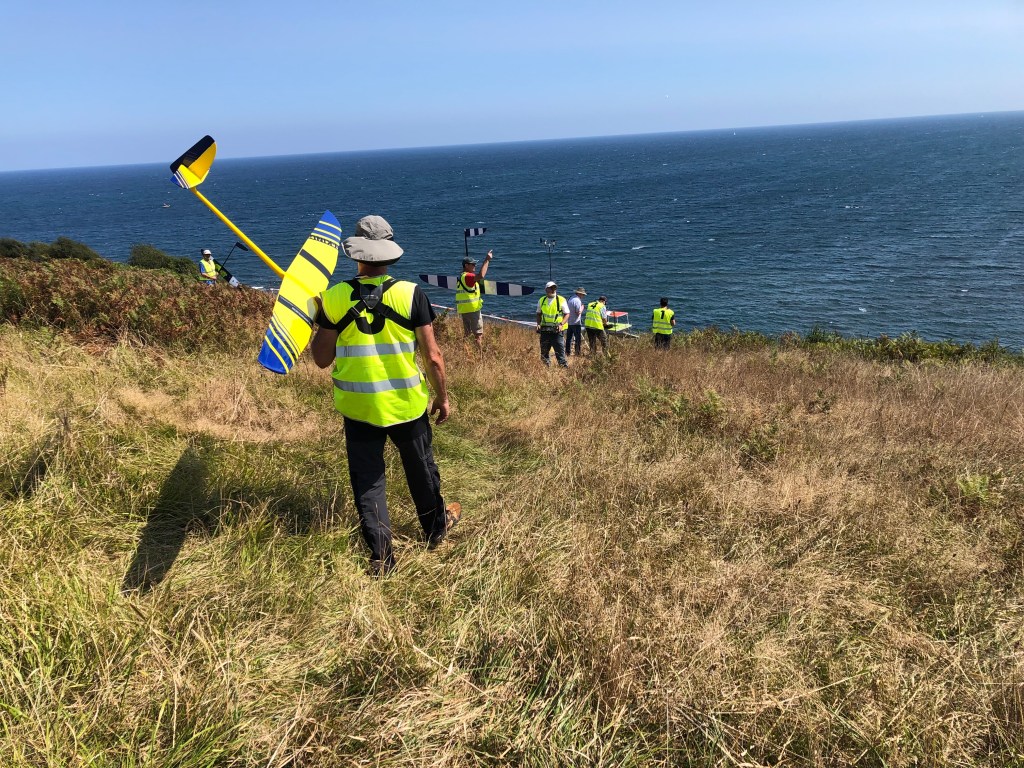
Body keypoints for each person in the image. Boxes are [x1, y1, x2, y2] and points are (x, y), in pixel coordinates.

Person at [311, 215, 459, 577]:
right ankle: (435, 531)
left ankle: (382, 558)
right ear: (389, 252)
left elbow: (321, 359)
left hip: (359, 408)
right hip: (406, 405)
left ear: (356, 253)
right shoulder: (411, 293)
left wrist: (321, 318)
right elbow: (433, 356)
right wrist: (442, 397)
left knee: (369, 481)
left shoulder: (334, 297)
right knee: (421, 470)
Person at [455, 250, 493, 351]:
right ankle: (480, 356)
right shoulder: (468, 276)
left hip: (465, 309)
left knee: (467, 334)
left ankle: (464, 353)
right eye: (473, 264)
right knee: (478, 335)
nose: (475, 266)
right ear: (466, 265)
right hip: (473, 310)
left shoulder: (462, 276)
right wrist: (487, 260)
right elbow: (481, 276)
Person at [536, 280, 569, 368]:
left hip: (557, 330)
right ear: (546, 289)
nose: (553, 289)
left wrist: (561, 324)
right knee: (544, 351)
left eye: (554, 288)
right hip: (545, 329)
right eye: (550, 288)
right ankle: (546, 368)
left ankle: (563, 367)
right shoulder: (542, 300)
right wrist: (538, 324)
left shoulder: (561, 300)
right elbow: (538, 313)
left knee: (559, 351)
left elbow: (567, 314)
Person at [565, 287, 586, 357]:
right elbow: (578, 312)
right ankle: (577, 353)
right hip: (576, 322)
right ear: (579, 294)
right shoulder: (577, 300)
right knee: (578, 338)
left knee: (569, 338)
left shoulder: (570, 298)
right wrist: (582, 307)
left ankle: (567, 352)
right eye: (583, 294)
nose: (583, 296)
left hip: (569, 321)